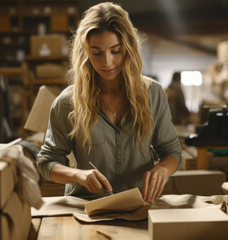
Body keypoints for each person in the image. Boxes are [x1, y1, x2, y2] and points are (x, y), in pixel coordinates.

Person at [36, 2, 182, 203]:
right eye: (97, 52)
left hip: (139, 203)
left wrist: (162, 169)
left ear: (128, 48)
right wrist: (78, 175)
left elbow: (172, 151)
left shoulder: (153, 94)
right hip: (87, 206)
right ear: (85, 52)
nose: (107, 62)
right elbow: (47, 162)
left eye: (115, 50)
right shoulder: (67, 102)